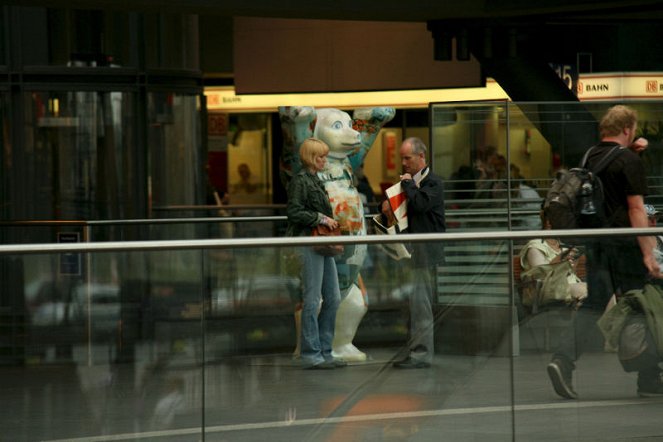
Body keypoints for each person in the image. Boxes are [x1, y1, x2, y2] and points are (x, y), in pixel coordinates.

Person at [547, 104, 663, 399]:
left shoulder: (589, 157)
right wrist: (649, 252)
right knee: (644, 305)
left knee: (593, 305)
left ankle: (562, 360)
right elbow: (636, 209)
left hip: (598, 244)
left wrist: (632, 153)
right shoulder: (628, 161)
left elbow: (606, 189)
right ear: (628, 129)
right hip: (626, 246)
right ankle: (648, 378)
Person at [383, 137, 446, 369]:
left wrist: (408, 185)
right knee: (413, 303)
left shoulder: (433, 183)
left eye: (408, 158)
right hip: (410, 251)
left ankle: (421, 353)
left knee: (421, 304)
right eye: (402, 158)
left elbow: (420, 205)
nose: (404, 163)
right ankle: (415, 350)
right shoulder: (409, 185)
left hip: (425, 253)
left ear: (421, 157)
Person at [286, 138, 346, 370]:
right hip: (309, 242)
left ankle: (323, 350)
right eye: (320, 157)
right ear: (312, 158)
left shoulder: (312, 178)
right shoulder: (301, 180)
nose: (324, 160)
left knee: (332, 297)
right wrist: (322, 218)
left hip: (318, 242)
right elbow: (294, 211)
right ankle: (313, 354)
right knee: (313, 298)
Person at [519, 209, 587, 308]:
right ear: (549, 223)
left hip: (567, 287)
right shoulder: (535, 246)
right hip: (547, 290)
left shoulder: (564, 245)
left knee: (605, 292)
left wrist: (573, 260)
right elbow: (541, 273)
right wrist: (561, 259)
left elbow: (571, 273)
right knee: (589, 292)